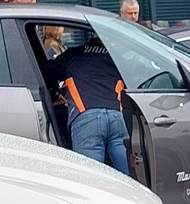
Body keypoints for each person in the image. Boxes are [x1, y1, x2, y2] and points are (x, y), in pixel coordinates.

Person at [46, 34, 132, 176]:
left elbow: (47, 72)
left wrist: (54, 95)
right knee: (129, 178)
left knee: (91, 179)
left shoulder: (73, 55)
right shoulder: (116, 59)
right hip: (118, 117)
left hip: (86, 117)